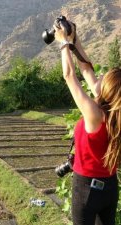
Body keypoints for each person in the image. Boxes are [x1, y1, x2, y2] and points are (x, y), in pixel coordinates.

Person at [53, 19, 120, 225]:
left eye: (103, 78)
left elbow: (69, 75)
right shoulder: (113, 112)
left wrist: (63, 42)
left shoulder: (95, 114)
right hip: (109, 188)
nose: (97, 77)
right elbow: (86, 70)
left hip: (86, 190)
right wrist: (75, 39)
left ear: (106, 89)